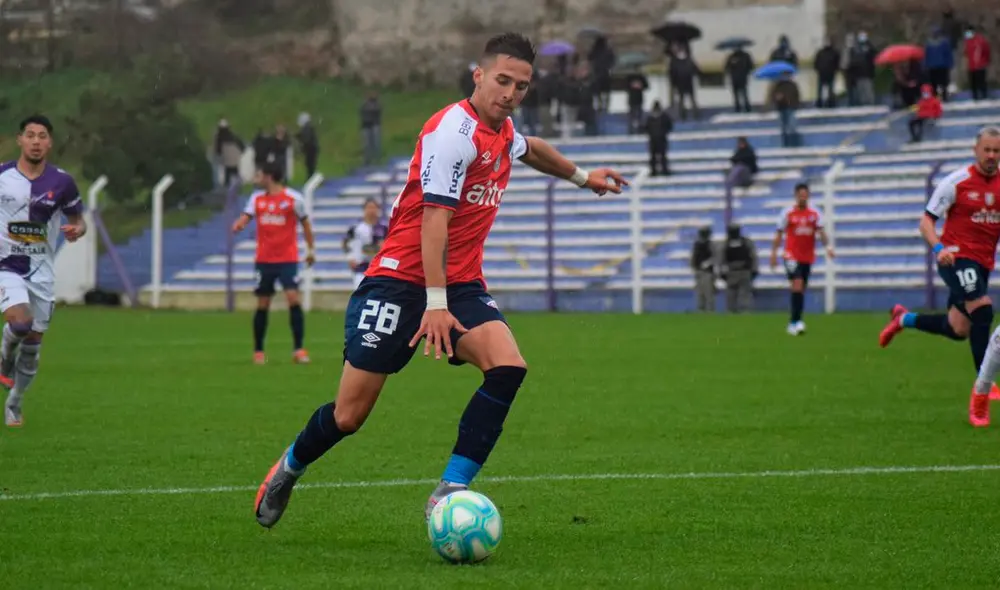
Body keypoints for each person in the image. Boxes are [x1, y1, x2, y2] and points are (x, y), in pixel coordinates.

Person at [252, 32, 627, 530]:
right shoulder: (453, 133)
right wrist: (433, 302)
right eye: (502, 81)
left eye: (521, 85)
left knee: (508, 365)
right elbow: (434, 221)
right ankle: (289, 467)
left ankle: (452, 488)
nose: (511, 92)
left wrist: (583, 177)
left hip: (461, 283)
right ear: (479, 75)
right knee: (349, 416)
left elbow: (529, 148)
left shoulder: (503, 131)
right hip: (399, 281)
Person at [879, 127, 1000, 426]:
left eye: (996, 151)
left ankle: (903, 319)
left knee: (958, 328)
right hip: (954, 259)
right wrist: (938, 247)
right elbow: (925, 222)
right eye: (987, 149)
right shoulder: (956, 182)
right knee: (982, 310)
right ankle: (982, 389)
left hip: (981, 264)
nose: (991, 155)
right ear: (976, 150)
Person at [0, 114, 87, 427]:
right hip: (6, 265)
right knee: (19, 323)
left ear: (49, 143)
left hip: (42, 270)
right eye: (30, 135)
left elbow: (78, 220)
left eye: (42, 136)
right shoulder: (2, 176)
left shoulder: (62, 182)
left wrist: (78, 230)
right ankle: (4, 358)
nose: (36, 141)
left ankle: (15, 402)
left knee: (34, 344)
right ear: (20, 140)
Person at [231, 161, 316, 365]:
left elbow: (305, 223)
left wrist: (311, 249)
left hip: (287, 258)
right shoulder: (256, 198)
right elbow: (246, 216)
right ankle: (258, 351)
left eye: (259, 175)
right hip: (264, 259)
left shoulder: (294, 198)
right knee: (263, 303)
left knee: (293, 298)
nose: (256, 179)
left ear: (269, 177)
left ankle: (299, 349)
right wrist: (241, 223)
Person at [770, 183, 834, 335]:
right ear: (796, 195)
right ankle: (795, 322)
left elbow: (821, 232)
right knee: (797, 284)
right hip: (791, 255)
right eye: (800, 195)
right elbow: (779, 233)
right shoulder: (787, 213)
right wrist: (773, 253)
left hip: (807, 256)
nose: (803, 198)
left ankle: (795, 320)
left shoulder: (815, 213)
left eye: (805, 195)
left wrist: (828, 248)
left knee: (800, 288)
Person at [342, 198, 388, 289]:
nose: (371, 210)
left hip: (379, 267)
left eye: (374, 208)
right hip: (361, 267)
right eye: (369, 208)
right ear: (364, 209)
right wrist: (350, 258)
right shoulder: (356, 228)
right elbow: (345, 242)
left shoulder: (384, 228)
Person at [721, 223, 757, 313]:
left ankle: (744, 312)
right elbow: (722, 259)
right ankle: (731, 312)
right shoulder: (726, 244)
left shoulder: (746, 242)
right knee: (731, 295)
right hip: (732, 272)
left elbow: (753, 256)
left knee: (744, 295)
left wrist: (754, 270)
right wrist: (722, 271)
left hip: (744, 271)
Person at [690, 226, 715, 312]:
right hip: (699, 271)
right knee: (700, 293)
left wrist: (708, 263)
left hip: (707, 272)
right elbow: (694, 257)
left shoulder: (710, 244)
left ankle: (709, 310)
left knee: (708, 293)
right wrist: (694, 266)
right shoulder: (697, 244)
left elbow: (714, 257)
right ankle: (701, 310)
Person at [645, 100, 672, 176]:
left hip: (656, 139)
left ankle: (657, 170)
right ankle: (660, 170)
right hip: (659, 139)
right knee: (658, 156)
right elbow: (669, 126)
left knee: (658, 156)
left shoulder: (653, 117)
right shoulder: (664, 117)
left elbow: (646, 128)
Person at [964, 27, 991, 101]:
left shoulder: (980, 41)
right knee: (973, 82)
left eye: (968, 33)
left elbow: (986, 51)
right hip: (971, 65)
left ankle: (984, 95)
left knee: (981, 81)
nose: (967, 35)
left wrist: (986, 61)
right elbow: (967, 53)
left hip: (980, 65)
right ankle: (975, 96)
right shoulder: (968, 42)